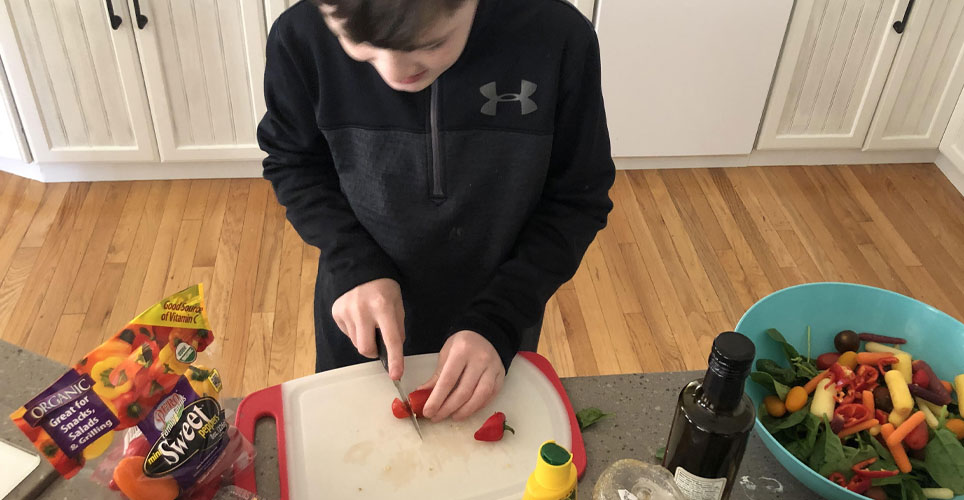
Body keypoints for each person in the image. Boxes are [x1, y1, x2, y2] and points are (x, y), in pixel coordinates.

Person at [258, 0, 614, 422]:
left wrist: (500, 320)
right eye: (359, 45)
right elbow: (293, 163)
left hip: (502, 305)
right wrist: (352, 262)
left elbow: (577, 198)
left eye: (430, 43)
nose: (393, 73)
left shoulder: (559, 37)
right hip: (360, 308)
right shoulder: (299, 36)